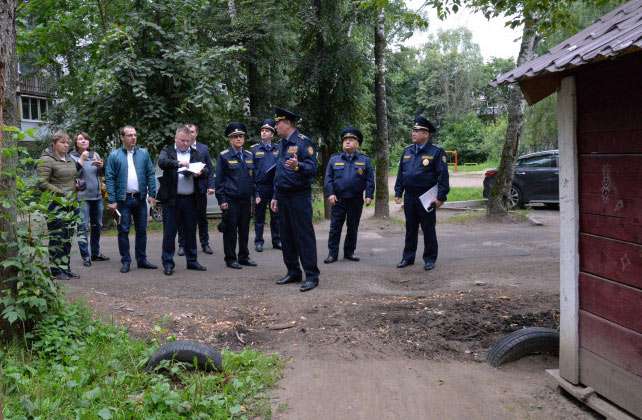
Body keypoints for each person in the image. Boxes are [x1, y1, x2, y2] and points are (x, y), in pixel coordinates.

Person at [270, 107, 320, 292]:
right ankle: (293, 271)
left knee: (303, 235)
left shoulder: (303, 142)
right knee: (286, 235)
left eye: (278, 123)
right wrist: (275, 195)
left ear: (288, 123)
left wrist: (299, 165)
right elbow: (279, 172)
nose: (275, 126)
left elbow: (313, 168)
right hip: (282, 195)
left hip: (299, 195)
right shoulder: (281, 144)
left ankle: (312, 276)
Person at [394, 116, 450, 271]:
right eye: (413, 130)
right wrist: (398, 192)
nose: (413, 133)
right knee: (410, 228)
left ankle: (430, 258)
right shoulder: (407, 151)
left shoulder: (436, 152)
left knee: (428, 228)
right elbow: (401, 174)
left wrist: (440, 197)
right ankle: (408, 257)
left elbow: (443, 176)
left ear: (426, 134)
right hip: (410, 196)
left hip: (427, 197)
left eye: (417, 131)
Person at [104, 125, 158, 273]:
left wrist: (152, 194)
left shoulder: (144, 154)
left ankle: (142, 260)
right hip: (123, 200)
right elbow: (109, 178)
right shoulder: (114, 156)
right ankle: (126, 261)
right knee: (123, 230)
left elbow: (150, 174)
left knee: (142, 230)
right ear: (122, 137)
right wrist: (112, 200)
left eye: (134, 135)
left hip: (140, 199)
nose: (133, 137)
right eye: (129, 135)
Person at [156, 126, 208, 275]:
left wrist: (200, 173)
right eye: (182, 141)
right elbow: (162, 162)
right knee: (170, 232)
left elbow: (207, 170)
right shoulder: (168, 151)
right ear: (176, 139)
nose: (185, 144)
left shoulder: (195, 153)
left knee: (191, 230)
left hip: (191, 199)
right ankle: (168, 263)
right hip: (172, 200)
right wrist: (178, 164)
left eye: (188, 141)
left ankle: (192, 261)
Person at [323, 127, 375, 264]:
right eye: (345, 140)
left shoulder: (364, 160)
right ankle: (332, 254)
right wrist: (330, 193)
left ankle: (349, 252)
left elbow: (370, 179)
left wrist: (369, 195)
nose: (347, 142)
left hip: (356, 199)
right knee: (335, 227)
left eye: (351, 140)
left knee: (353, 227)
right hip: (338, 199)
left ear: (357, 144)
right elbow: (328, 178)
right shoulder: (334, 159)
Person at [37, 131, 81, 280]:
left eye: (67, 142)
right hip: (55, 205)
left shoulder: (69, 159)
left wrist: (78, 185)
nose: (66, 145)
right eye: (62, 142)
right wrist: (61, 193)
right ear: (54, 143)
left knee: (68, 237)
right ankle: (56, 271)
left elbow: (72, 177)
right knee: (57, 237)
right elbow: (42, 183)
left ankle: (65, 268)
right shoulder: (46, 159)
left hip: (71, 203)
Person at [215, 122, 257, 269]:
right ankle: (231, 258)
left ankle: (244, 256)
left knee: (244, 230)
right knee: (230, 230)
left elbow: (253, 178)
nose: (238, 139)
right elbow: (219, 181)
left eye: (241, 136)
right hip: (231, 200)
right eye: (235, 136)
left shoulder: (249, 155)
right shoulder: (224, 156)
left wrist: (255, 195)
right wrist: (222, 200)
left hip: (246, 199)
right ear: (230, 139)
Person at [70, 132, 109, 267]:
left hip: (97, 196)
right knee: (83, 227)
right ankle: (86, 256)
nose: (84, 141)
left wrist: (101, 167)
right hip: (82, 198)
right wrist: (81, 158)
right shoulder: (72, 156)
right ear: (76, 143)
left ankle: (95, 253)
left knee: (97, 225)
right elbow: (72, 174)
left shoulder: (95, 155)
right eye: (80, 139)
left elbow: (100, 174)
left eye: (86, 138)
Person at [177, 123, 215, 256]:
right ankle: (182, 245)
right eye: (187, 131)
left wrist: (211, 185)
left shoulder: (203, 149)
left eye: (192, 131)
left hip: (199, 189)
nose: (190, 133)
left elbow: (209, 169)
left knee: (202, 217)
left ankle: (205, 243)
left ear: (196, 133)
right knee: (182, 218)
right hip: (184, 189)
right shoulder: (180, 148)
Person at [251, 118, 281, 252]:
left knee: (276, 215)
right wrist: (255, 192)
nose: (263, 133)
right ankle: (258, 241)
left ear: (272, 134)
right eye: (262, 130)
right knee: (259, 216)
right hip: (260, 187)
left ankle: (277, 240)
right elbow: (251, 172)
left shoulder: (278, 149)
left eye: (267, 131)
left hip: (274, 187)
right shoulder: (254, 149)